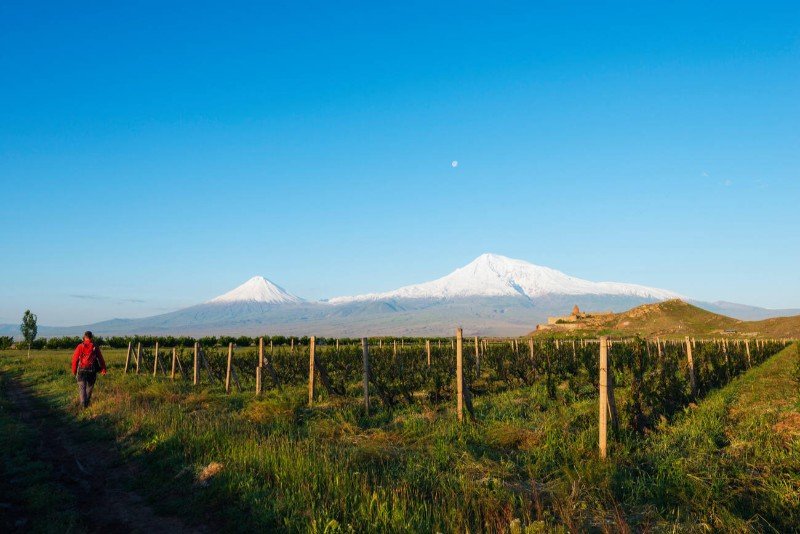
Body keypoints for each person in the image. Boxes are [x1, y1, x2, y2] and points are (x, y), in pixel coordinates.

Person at [71, 331, 107, 408]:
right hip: (92, 371)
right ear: (91, 337)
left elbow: (75, 360)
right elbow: (101, 359)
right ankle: (86, 405)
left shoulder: (80, 346)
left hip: (81, 370)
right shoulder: (95, 346)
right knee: (89, 388)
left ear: (84, 337)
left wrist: (74, 371)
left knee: (82, 388)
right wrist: (103, 369)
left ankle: (83, 405)